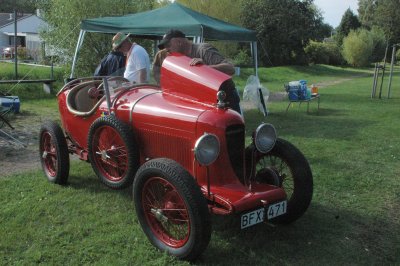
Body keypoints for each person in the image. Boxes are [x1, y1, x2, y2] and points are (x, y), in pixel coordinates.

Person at [158, 29, 241, 113]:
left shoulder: (203, 50)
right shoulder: (181, 58)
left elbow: (230, 69)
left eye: (168, 44)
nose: (166, 49)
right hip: (208, 100)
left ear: (179, 42)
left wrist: (205, 68)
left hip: (226, 98)